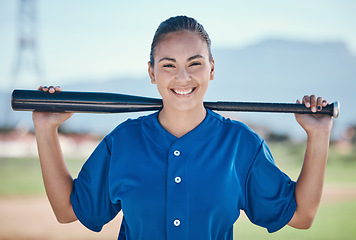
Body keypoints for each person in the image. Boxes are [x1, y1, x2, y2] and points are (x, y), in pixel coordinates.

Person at [32, 16, 333, 239]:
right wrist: (46, 129)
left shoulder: (241, 145)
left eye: (195, 63)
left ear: (212, 68)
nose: (183, 77)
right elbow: (67, 211)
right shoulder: (123, 142)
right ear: (152, 72)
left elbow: (301, 216)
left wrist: (318, 135)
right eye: (168, 65)